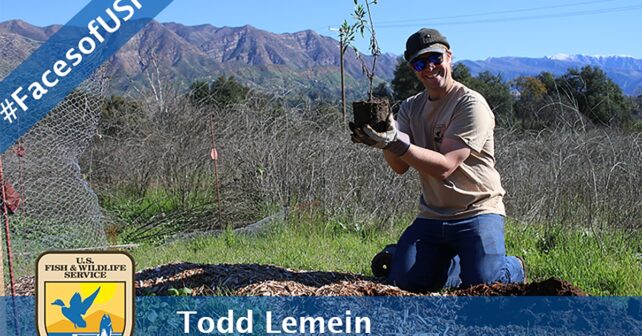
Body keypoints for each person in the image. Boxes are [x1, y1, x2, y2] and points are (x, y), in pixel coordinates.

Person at [349, 28, 525, 292]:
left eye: (435, 58)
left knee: (484, 286)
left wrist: (394, 141)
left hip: (477, 211)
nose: (429, 68)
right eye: (420, 63)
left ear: (449, 57)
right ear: (413, 69)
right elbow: (399, 166)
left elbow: (446, 166)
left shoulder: (470, 104)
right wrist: (383, 141)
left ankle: (512, 266)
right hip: (432, 215)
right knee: (405, 282)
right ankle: (447, 262)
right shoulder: (410, 107)